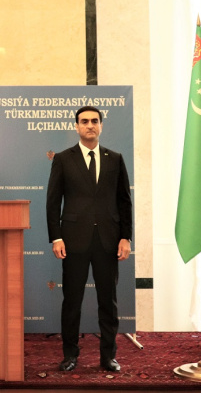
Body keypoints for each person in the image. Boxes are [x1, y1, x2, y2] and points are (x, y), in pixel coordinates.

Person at [46, 106, 133, 373]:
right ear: (76, 127)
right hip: (73, 241)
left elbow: (124, 201)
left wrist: (125, 238)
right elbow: (53, 202)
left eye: (94, 121)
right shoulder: (63, 158)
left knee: (109, 302)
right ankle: (70, 355)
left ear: (101, 126)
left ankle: (108, 357)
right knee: (72, 301)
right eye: (84, 121)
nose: (90, 125)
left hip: (108, 241)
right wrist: (56, 237)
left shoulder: (115, 158)